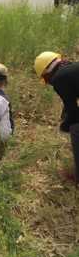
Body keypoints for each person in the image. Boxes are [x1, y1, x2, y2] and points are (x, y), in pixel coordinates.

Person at [34, 51, 79, 183]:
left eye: (45, 79)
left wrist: (64, 125)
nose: (48, 82)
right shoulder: (71, 68)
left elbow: (73, 112)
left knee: (75, 129)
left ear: (47, 71)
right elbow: (71, 100)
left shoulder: (59, 78)